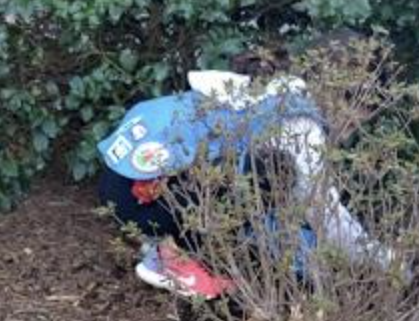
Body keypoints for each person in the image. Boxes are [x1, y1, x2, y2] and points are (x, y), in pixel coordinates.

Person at [98, 66, 387, 298]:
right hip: (143, 204)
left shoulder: (266, 93)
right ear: (341, 97)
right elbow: (326, 215)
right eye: (357, 119)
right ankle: (172, 255)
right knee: (274, 171)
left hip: (117, 182)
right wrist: (386, 263)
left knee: (252, 177)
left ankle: (161, 241)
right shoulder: (300, 124)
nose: (353, 130)